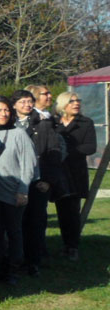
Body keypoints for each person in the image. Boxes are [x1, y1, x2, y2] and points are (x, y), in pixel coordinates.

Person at [0, 95, 38, 285]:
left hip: (14, 192)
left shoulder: (19, 134)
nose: (3, 114)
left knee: (14, 231)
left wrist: (23, 189)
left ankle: (14, 268)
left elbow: (29, 164)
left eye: (6, 110)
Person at [10, 89, 64, 276]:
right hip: (13, 181)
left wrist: (49, 180)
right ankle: (15, 260)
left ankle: (33, 261)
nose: (27, 105)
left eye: (29, 101)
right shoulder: (8, 124)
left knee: (35, 222)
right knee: (16, 223)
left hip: (38, 181)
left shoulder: (44, 125)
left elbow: (54, 153)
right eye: (22, 101)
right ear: (14, 104)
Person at [53, 91, 96, 261]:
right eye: (72, 101)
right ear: (63, 104)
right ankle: (64, 243)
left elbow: (90, 147)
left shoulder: (85, 123)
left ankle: (72, 246)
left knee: (72, 210)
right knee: (61, 210)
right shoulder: (53, 122)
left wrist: (67, 151)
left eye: (78, 101)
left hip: (75, 172)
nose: (76, 103)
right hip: (57, 172)